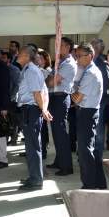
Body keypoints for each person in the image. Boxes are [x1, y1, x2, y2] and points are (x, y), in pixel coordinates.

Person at [16, 46, 53, 191]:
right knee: (31, 146)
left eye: (20, 54)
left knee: (33, 147)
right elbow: (42, 91)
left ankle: (36, 179)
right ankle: (34, 176)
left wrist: (43, 110)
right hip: (30, 110)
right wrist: (43, 109)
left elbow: (38, 93)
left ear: (26, 56)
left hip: (31, 110)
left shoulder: (31, 71)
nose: (17, 56)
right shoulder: (29, 69)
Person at [71, 43, 106, 189]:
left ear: (90, 56)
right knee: (89, 149)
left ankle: (90, 184)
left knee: (85, 151)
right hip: (87, 111)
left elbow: (77, 98)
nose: (77, 59)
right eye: (76, 56)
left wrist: (72, 91)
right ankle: (99, 182)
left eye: (80, 56)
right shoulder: (88, 71)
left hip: (87, 113)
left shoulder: (91, 73)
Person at [46, 37, 77, 176]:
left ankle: (66, 167)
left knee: (61, 134)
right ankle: (59, 161)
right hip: (54, 97)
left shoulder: (69, 64)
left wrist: (50, 79)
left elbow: (51, 82)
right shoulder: (60, 62)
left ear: (68, 47)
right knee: (56, 133)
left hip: (61, 98)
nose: (58, 47)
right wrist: (50, 78)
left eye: (61, 45)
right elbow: (50, 79)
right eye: (58, 45)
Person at [90, 39, 109, 159]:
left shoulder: (101, 63)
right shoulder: (93, 61)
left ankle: (97, 155)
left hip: (98, 100)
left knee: (98, 128)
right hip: (90, 100)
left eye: (91, 46)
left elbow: (105, 84)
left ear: (97, 49)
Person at [1, 50, 22, 146]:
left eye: (4, 58)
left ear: (9, 59)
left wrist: (11, 97)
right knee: (5, 120)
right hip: (4, 99)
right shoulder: (1, 69)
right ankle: (5, 139)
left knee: (13, 121)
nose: (2, 59)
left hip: (12, 99)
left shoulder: (14, 69)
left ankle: (14, 139)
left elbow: (17, 85)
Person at [36, 49, 52, 159]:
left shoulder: (47, 71)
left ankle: (43, 150)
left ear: (46, 60)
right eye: (37, 58)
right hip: (38, 100)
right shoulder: (37, 69)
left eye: (41, 58)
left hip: (45, 101)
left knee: (43, 128)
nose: (38, 60)